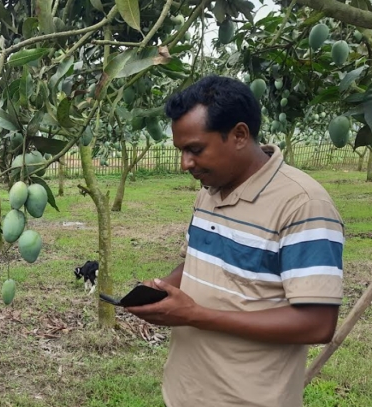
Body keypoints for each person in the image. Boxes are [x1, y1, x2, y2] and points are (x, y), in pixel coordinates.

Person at [124, 75, 344, 407]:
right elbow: (200, 261)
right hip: (185, 393)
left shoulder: (303, 204)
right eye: (181, 150)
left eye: (194, 149)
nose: (185, 164)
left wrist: (195, 315)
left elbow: (317, 324)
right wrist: (160, 288)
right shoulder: (209, 191)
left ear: (239, 134)